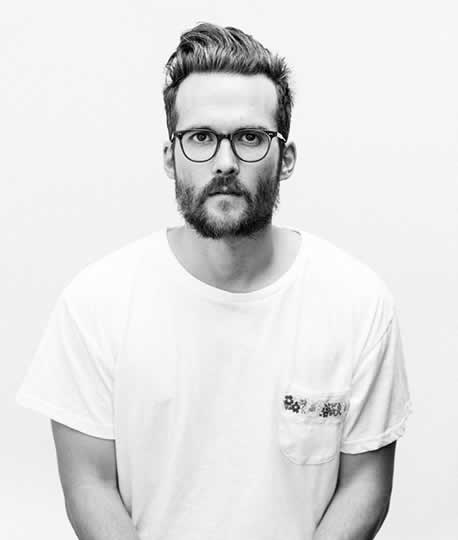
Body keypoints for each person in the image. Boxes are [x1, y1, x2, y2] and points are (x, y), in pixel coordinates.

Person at [16, 22, 413, 540]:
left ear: (286, 158)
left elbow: (365, 486)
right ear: (170, 157)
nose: (225, 162)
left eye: (250, 138)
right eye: (201, 137)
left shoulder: (358, 303)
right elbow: (89, 485)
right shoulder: (95, 304)